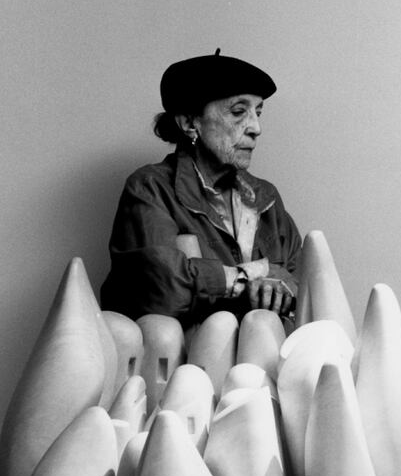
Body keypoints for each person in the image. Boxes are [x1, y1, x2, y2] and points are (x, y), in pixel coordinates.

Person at [100, 49, 302, 330]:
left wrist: (285, 287)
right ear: (189, 123)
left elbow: (303, 283)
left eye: (258, 113)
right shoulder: (150, 188)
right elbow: (163, 291)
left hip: (267, 353)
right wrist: (258, 273)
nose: (256, 128)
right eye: (238, 112)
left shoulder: (266, 197)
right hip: (186, 356)